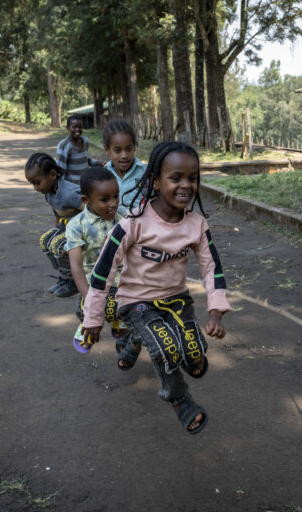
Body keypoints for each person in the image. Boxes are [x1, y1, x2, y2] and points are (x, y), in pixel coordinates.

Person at [81, 141, 230, 434]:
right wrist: (93, 318)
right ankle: (179, 400)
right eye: (176, 178)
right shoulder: (132, 223)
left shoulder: (197, 224)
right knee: (166, 349)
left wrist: (216, 311)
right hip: (136, 301)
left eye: (193, 178)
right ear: (156, 181)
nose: (185, 185)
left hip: (176, 299)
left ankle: (145, 341)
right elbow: (103, 271)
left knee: (193, 352)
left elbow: (212, 267)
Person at [64, 166, 129, 353]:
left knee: (124, 308)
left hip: (123, 277)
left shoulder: (125, 217)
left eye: (116, 196)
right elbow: (76, 265)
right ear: (86, 201)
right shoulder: (77, 226)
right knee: (85, 310)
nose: (113, 203)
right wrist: (90, 299)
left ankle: (119, 323)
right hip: (93, 281)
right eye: (105, 199)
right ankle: (86, 326)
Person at [25, 152, 82, 298]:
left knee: (58, 244)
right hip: (67, 225)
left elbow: (91, 213)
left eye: (37, 183)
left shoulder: (70, 193)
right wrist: (56, 230)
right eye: (32, 184)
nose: (35, 188)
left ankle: (74, 280)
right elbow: (57, 215)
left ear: (52, 174)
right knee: (45, 240)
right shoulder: (49, 193)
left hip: (82, 228)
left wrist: (71, 240)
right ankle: (65, 275)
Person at [101, 120, 148, 211]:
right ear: (107, 150)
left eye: (129, 149)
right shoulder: (104, 174)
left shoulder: (146, 172)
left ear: (134, 147)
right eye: (118, 151)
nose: (124, 155)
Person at [56, 115, 103, 185]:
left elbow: (84, 160)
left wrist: (100, 163)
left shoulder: (85, 141)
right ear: (68, 128)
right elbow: (60, 169)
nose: (77, 129)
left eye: (80, 127)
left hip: (85, 183)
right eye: (74, 127)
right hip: (71, 186)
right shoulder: (64, 145)